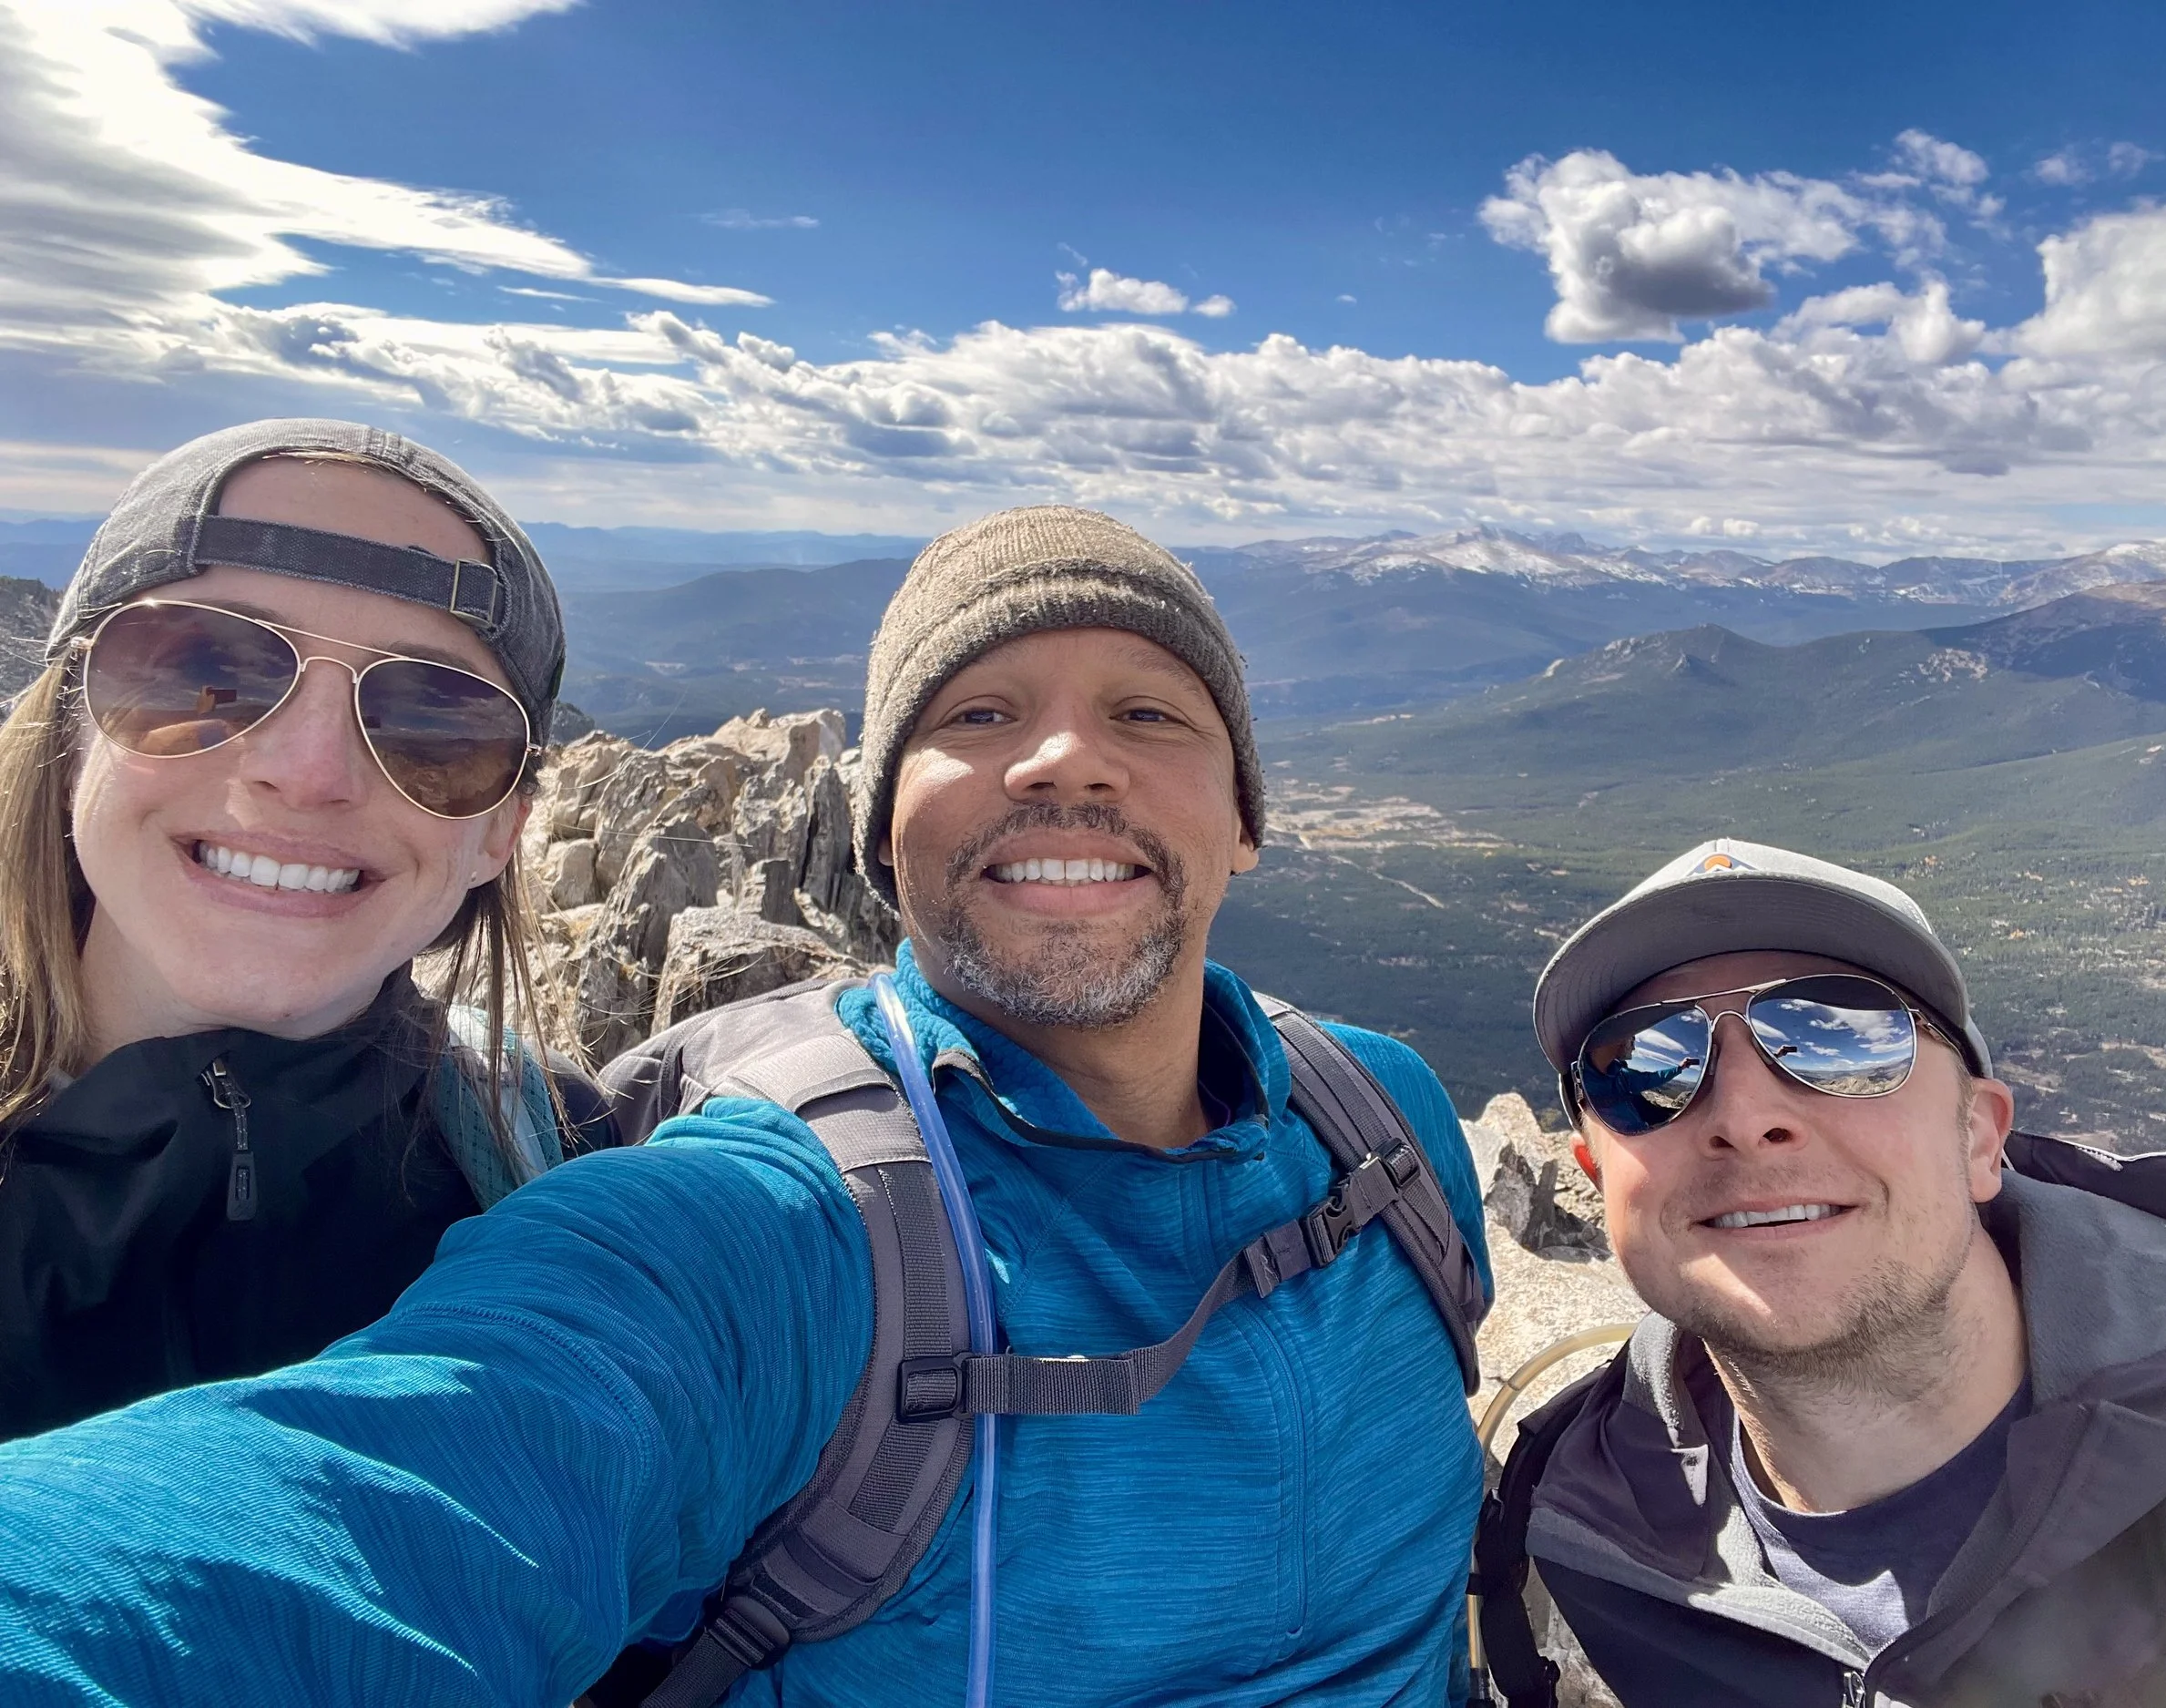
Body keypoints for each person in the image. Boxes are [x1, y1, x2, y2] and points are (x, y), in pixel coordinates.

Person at [0, 506, 1491, 1707]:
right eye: (975, 712)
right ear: (876, 837)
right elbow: (377, 1502)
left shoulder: (1389, 1124)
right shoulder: (775, 1224)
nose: (1063, 756)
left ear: (1243, 820)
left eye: (1151, 714)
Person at [1476, 838, 2166, 1708]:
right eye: (1645, 1065)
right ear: (1599, 1178)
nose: (1744, 1117)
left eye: (1837, 1038)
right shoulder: (1579, 1531)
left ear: (1979, 1138)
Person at [0, 417, 608, 1445]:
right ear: (71, 729)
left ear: (501, 830)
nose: (308, 770)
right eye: (205, 671)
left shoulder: (571, 1172)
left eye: (432, 721)